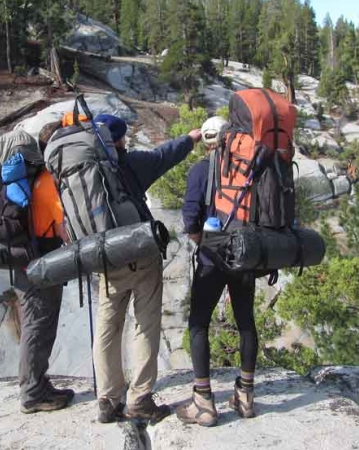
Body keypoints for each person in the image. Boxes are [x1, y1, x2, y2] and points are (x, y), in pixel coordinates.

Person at [88, 113, 202, 424]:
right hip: (139, 254)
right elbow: (163, 156)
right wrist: (190, 139)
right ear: (118, 140)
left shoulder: (84, 173)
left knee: (107, 327)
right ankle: (139, 399)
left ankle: (107, 399)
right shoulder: (130, 164)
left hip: (104, 259)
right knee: (145, 323)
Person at [0, 128, 73, 414]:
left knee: (34, 321)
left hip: (6, 259)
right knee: (38, 323)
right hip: (29, 259)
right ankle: (33, 392)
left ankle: (37, 384)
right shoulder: (16, 164)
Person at [176, 115, 258, 427]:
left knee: (198, 323)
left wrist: (204, 243)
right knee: (246, 321)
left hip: (213, 256)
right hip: (245, 255)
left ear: (208, 141)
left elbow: (190, 218)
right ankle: (246, 396)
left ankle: (204, 402)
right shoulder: (248, 169)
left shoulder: (200, 169)